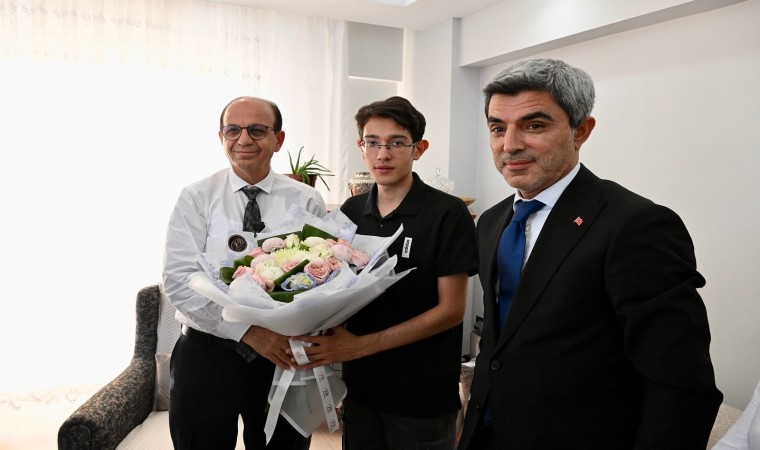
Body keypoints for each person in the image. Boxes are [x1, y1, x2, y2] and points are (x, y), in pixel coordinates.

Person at [456, 59, 723, 449]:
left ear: (581, 130)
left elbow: (680, 382)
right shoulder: (492, 221)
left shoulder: (635, 225)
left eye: (534, 125)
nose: (509, 145)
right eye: (498, 128)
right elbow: (500, 343)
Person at [292, 96, 478, 449]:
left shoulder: (446, 213)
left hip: (420, 395)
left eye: (396, 143)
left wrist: (358, 346)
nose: (383, 154)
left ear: (419, 149)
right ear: (360, 147)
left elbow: (451, 311)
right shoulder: (351, 210)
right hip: (361, 390)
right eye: (373, 142)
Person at [162, 96, 325, 449]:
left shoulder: (306, 199)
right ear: (221, 137)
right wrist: (248, 332)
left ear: (278, 139)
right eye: (233, 130)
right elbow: (178, 280)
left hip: (281, 357)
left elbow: (324, 278)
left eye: (257, 130)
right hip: (207, 353)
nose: (244, 139)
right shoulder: (196, 197)